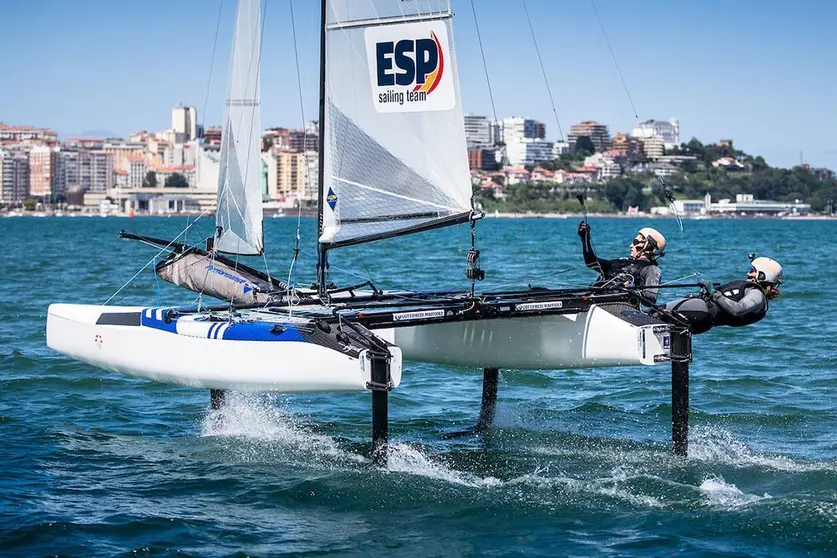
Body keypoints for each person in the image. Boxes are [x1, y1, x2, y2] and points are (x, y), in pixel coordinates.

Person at [661, 256, 783, 334]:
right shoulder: (753, 293)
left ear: (763, 275)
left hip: (702, 310)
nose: (748, 272)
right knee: (660, 323)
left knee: (656, 312)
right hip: (703, 321)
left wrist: (713, 293)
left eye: (752, 270)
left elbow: (737, 309)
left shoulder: (757, 294)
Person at [578, 222, 666, 305]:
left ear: (648, 246)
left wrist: (632, 290)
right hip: (595, 300)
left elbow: (651, 298)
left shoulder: (651, 269)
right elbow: (591, 262)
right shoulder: (620, 262)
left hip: (619, 307)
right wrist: (585, 238)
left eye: (635, 242)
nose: (631, 245)